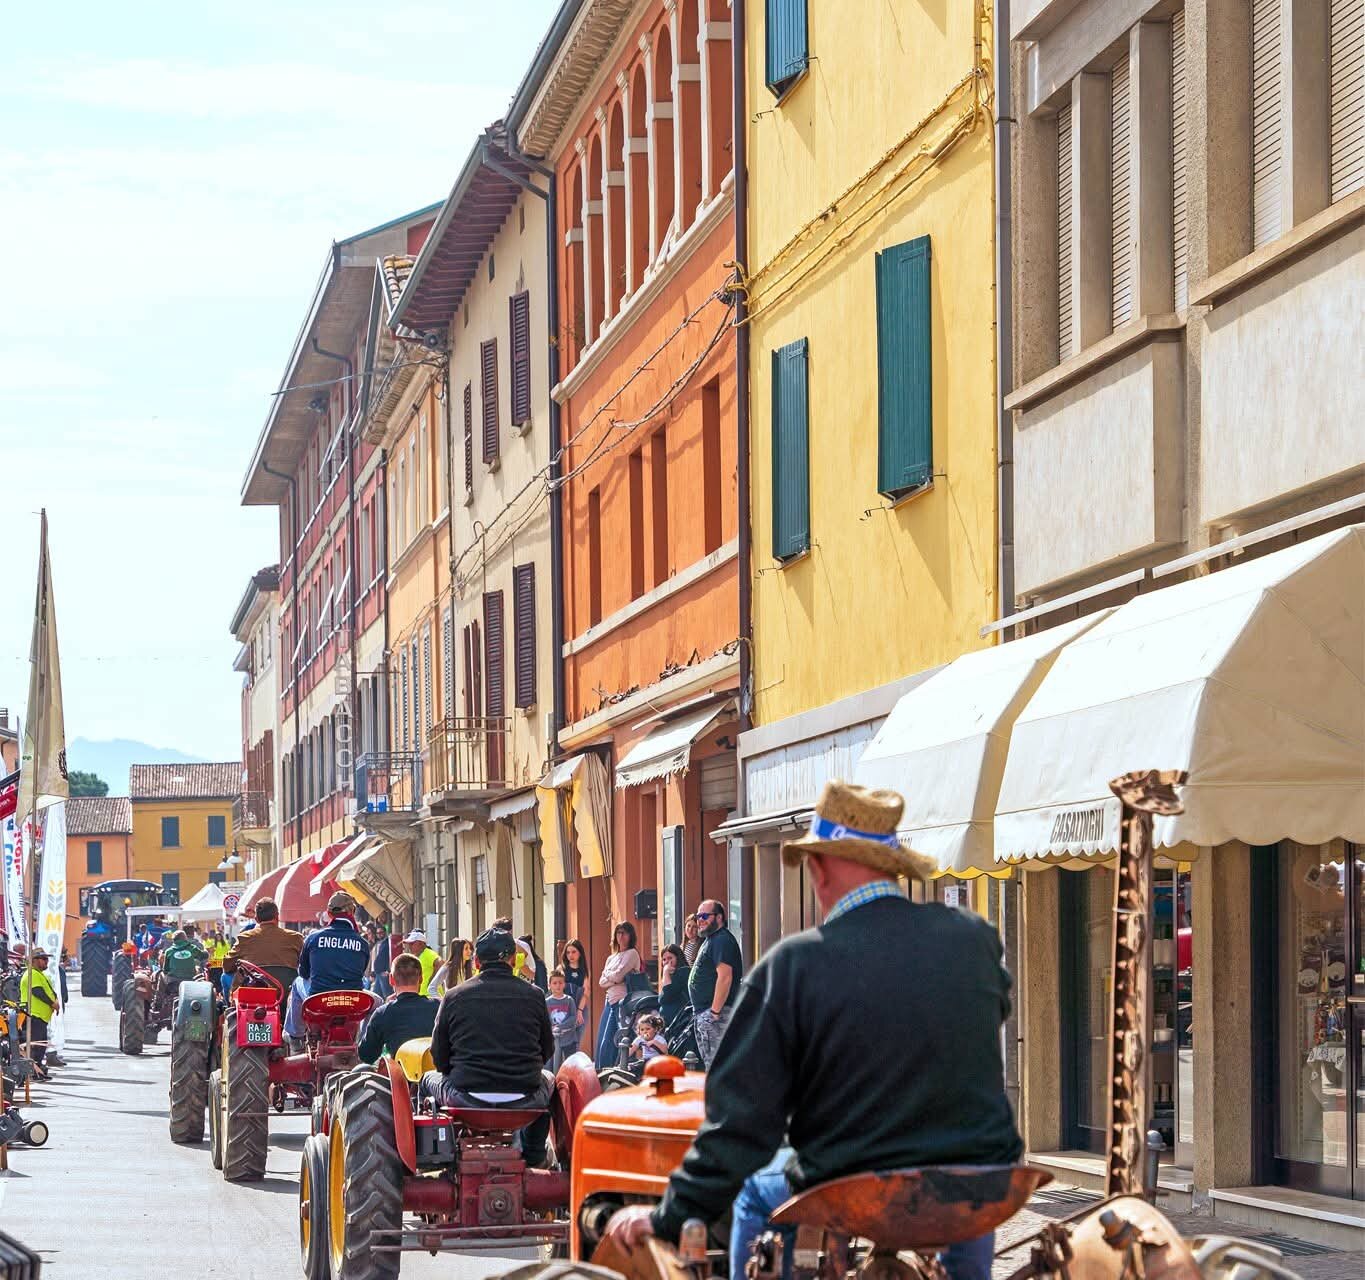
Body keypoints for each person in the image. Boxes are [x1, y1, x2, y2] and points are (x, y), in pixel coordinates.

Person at [602, 781, 1022, 1280]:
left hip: (858, 1180)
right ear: (892, 867)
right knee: (966, 1199)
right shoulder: (973, 938)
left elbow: (740, 1125)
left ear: (820, 868)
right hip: (981, 1177)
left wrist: (671, 1212)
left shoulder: (795, 966)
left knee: (755, 1193)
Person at [422, 929, 556, 1167]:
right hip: (525, 1099)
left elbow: (439, 1055)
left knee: (426, 1080)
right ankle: (535, 1153)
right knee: (550, 1079)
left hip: (466, 1098)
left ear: (475, 962)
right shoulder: (535, 995)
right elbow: (547, 1050)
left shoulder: (453, 996)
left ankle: (435, 1154)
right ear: (514, 960)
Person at [689, 899, 742, 1068]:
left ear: (719, 917)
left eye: (705, 916)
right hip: (706, 1014)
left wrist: (714, 1012)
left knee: (718, 1068)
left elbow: (725, 977)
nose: (700, 920)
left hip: (716, 1015)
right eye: (698, 916)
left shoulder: (722, 940)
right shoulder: (711, 940)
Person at [357, 953, 439, 1064]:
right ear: (421, 979)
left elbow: (366, 1055)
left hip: (401, 1077)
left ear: (391, 979)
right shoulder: (439, 1008)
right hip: (436, 1074)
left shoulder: (383, 1013)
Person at [222, 898, 304, 992]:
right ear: (277, 916)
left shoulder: (245, 937)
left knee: (225, 976)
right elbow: (307, 966)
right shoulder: (296, 937)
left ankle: (230, 1005)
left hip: (255, 993)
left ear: (256, 919)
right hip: (288, 992)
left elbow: (227, 965)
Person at [299, 892, 370, 994]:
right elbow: (360, 972)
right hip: (352, 1000)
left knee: (297, 982)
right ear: (352, 912)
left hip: (318, 999)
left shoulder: (312, 938)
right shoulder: (363, 944)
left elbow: (303, 973)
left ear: (328, 913)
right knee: (379, 1000)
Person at [594, 922, 641, 1069]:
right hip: (609, 1001)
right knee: (603, 1040)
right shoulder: (611, 958)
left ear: (630, 935)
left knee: (613, 1041)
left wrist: (609, 975)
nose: (621, 936)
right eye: (618, 932)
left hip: (623, 1003)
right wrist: (612, 977)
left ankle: (610, 1073)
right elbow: (601, 982)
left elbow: (619, 976)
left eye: (624, 933)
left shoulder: (632, 953)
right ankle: (601, 1073)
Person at [19, 947, 59, 1080]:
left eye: (47, 959)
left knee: (40, 1045)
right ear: (35, 960)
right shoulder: (32, 974)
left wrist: (55, 1000)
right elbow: (38, 992)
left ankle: (38, 1070)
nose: (46, 962)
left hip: (39, 1017)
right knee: (36, 1045)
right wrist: (52, 1003)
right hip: (34, 1016)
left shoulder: (38, 974)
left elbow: (48, 991)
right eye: (44, 959)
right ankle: (34, 1071)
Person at [545, 968, 580, 1071]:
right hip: (554, 1040)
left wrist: (559, 1027)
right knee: (554, 1067)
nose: (558, 985)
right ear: (549, 985)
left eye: (560, 983)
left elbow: (573, 1018)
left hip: (569, 1039)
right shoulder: (547, 1002)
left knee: (570, 1066)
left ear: (564, 984)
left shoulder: (569, 1000)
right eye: (554, 983)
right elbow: (545, 1018)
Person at [559, 939, 590, 1046]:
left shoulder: (584, 971)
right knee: (563, 1041)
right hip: (564, 1009)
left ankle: (572, 1062)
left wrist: (579, 1011)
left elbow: (586, 992)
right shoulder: (562, 969)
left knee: (577, 1041)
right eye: (568, 952)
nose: (570, 955)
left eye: (573, 952)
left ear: (580, 953)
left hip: (580, 1008)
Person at [658, 944, 691, 1030]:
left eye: (670, 958)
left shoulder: (684, 971)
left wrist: (665, 973)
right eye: (664, 959)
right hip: (669, 1025)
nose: (666, 962)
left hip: (680, 1023)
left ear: (678, 957)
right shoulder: (670, 976)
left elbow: (667, 996)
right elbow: (661, 999)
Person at [403, 930, 438, 995]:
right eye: (409, 944)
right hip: (422, 995)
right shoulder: (418, 956)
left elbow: (440, 963)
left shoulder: (428, 953)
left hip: (430, 996)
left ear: (421, 944)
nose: (410, 946)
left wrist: (432, 982)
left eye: (412, 943)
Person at [370, 927, 393, 999]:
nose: (379, 935)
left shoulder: (388, 943)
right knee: (376, 994)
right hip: (378, 972)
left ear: (385, 932)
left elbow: (390, 957)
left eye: (381, 932)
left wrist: (388, 970)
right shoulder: (379, 943)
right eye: (377, 933)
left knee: (387, 995)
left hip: (384, 972)